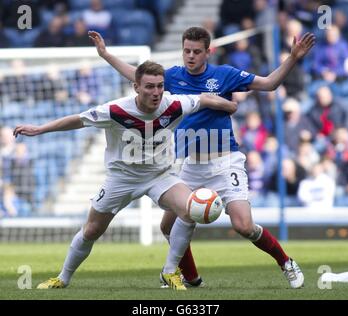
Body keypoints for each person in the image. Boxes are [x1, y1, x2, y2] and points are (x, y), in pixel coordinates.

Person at [89, 27, 315, 289]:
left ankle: (285, 261)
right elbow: (137, 76)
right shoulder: (172, 77)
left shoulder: (225, 75)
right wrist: (106, 55)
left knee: (244, 226)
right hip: (190, 166)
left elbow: (269, 83)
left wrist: (293, 58)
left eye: (197, 51)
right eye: (187, 51)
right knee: (167, 226)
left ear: (209, 52)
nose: (191, 56)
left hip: (224, 161)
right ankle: (192, 278)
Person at [13, 61, 237, 291]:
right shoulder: (116, 109)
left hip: (160, 175)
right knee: (92, 230)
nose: (156, 92)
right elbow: (78, 120)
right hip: (121, 178)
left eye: (160, 86)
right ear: (136, 87)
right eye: (149, 86)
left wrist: (229, 106)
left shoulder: (175, 103)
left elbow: (205, 99)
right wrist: (40, 129)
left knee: (191, 210)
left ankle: (170, 271)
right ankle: (63, 278)